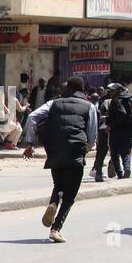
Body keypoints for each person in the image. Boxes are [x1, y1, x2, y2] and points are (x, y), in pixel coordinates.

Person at [23, 76, 97, 243]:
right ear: (82, 90)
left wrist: (30, 143)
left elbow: (32, 117)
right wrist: (84, 150)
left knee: (59, 185)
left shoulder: (54, 103)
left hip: (55, 151)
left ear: (67, 88)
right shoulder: (89, 106)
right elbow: (92, 136)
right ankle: (55, 229)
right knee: (70, 195)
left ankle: (53, 204)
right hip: (75, 152)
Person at [104, 83, 132, 180]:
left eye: (112, 91)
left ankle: (120, 174)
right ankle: (127, 168)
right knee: (126, 151)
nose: (110, 93)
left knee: (114, 153)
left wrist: (110, 124)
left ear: (118, 91)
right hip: (129, 130)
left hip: (116, 130)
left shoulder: (116, 101)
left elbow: (121, 114)